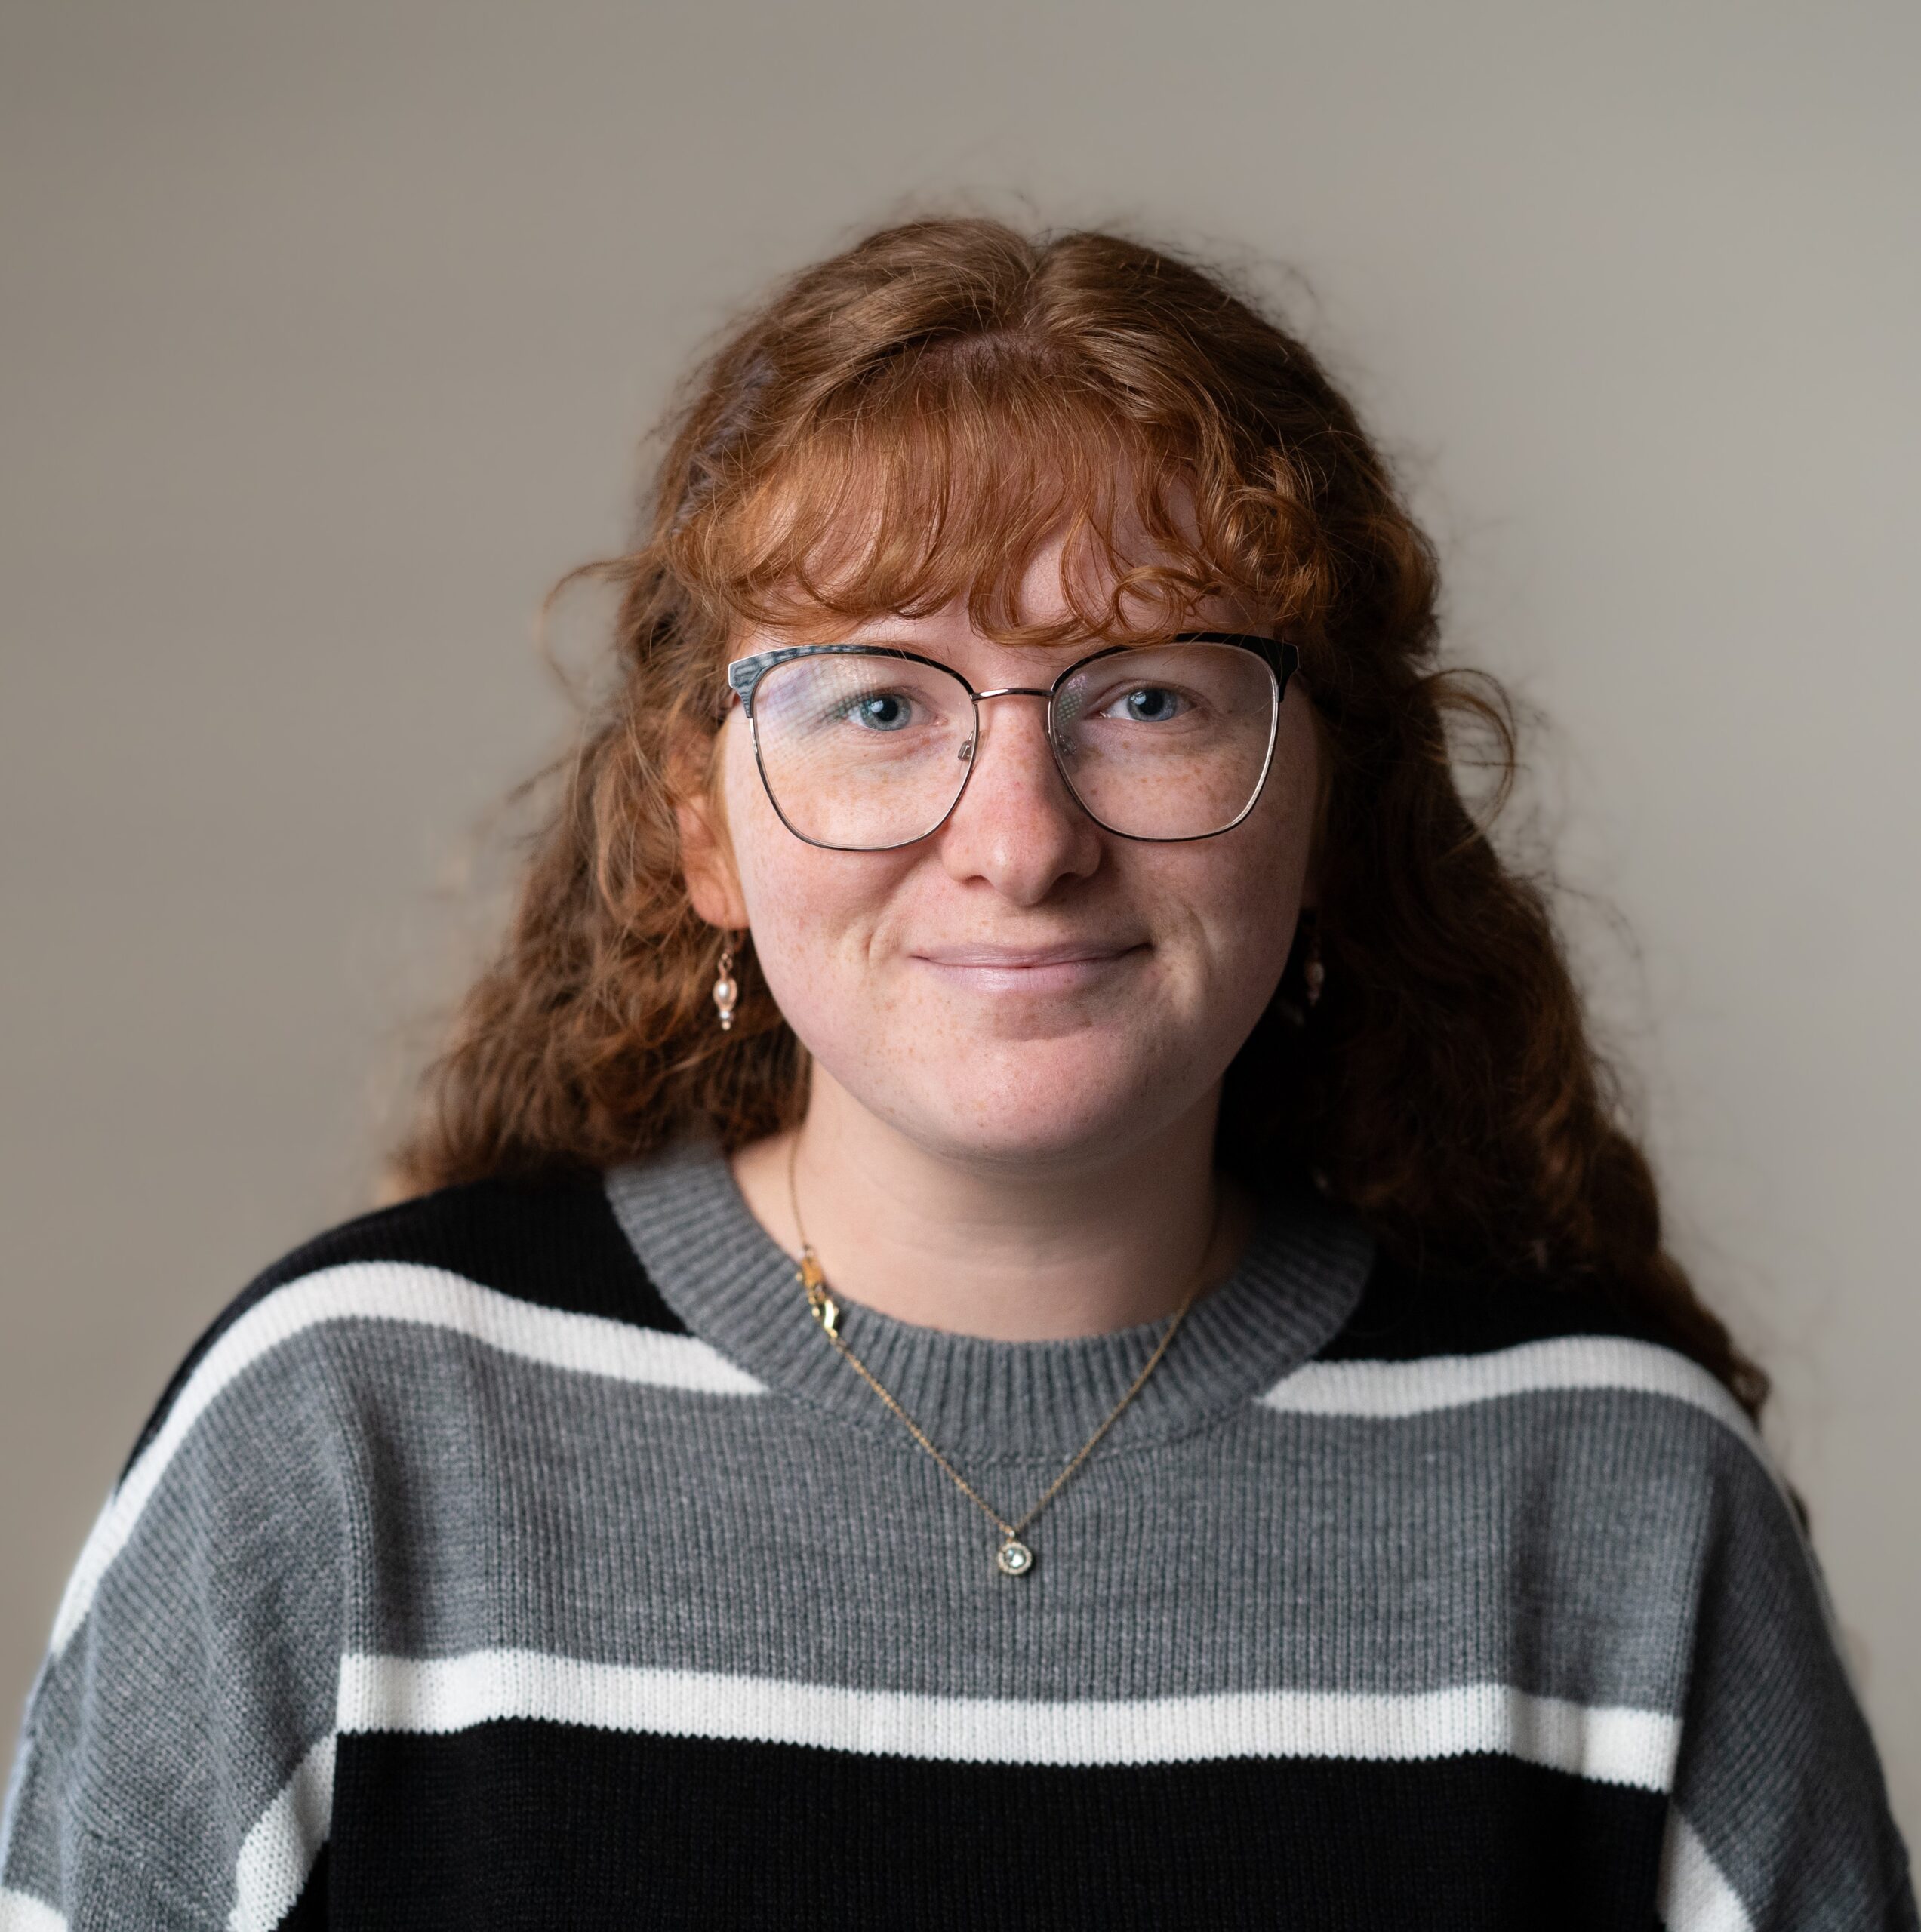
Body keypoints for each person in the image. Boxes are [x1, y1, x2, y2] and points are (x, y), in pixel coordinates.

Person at [0, 217, 1912, 1932]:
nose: (1019, 835)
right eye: (880, 701)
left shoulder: (1624, 1507)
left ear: (1326, 810)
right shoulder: (344, 1441)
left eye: (1147, 693)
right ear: (702, 829)